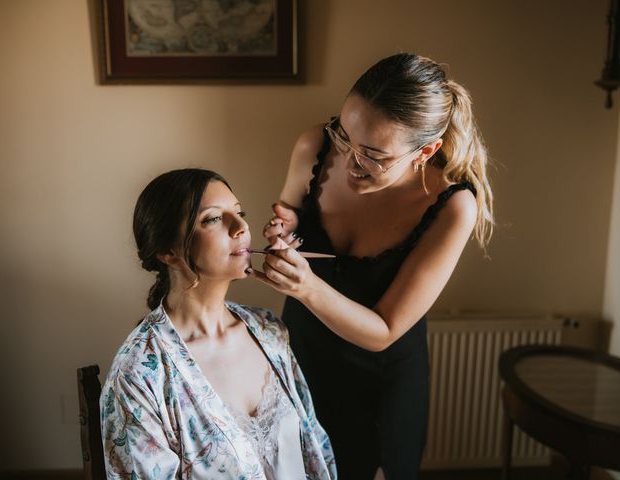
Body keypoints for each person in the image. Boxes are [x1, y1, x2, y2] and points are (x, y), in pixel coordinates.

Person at [252, 53, 494, 480]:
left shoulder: (454, 207)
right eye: (344, 137)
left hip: (381, 388)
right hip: (300, 360)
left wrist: (305, 287)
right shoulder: (314, 145)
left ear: (427, 151)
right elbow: (290, 210)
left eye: (373, 155)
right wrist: (284, 227)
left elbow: (383, 332)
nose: (348, 161)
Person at [100, 168, 336, 479]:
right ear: (167, 251)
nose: (241, 227)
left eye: (240, 213)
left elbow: (313, 450)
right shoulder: (139, 374)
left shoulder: (268, 330)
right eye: (213, 219)